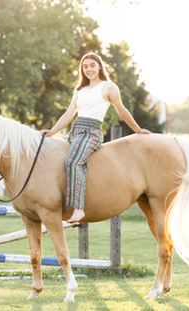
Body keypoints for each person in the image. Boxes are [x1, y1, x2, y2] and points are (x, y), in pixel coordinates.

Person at [40, 52, 151, 223]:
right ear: (82, 70)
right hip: (75, 131)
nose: (89, 69)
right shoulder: (79, 91)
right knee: (52, 157)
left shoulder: (108, 87)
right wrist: (52, 132)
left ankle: (78, 208)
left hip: (91, 133)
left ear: (99, 66)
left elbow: (121, 111)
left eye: (92, 65)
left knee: (73, 161)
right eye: (85, 66)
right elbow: (68, 115)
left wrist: (137, 129)